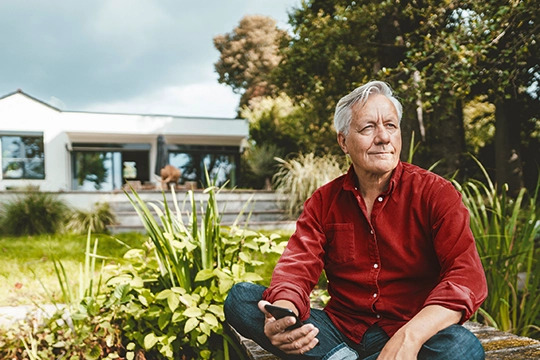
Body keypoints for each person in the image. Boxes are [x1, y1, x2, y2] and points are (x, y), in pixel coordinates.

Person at [224, 81, 488, 360]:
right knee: (241, 298)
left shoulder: (436, 193)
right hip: (340, 331)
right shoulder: (324, 201)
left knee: (461, 348)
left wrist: (410, 337)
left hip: (410, 331)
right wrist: (283, 316)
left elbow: (466, 278)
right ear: (343, 141)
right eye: (368, 128)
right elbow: (297, 267)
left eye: (391, 126)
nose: (383, 137)